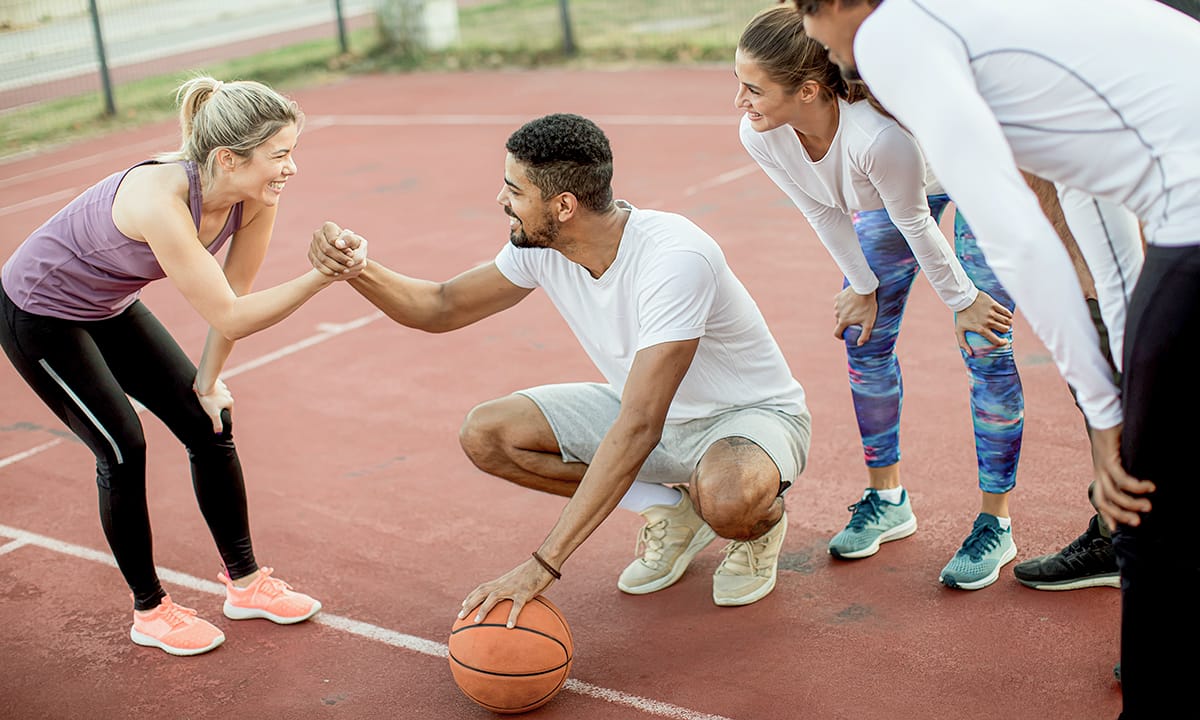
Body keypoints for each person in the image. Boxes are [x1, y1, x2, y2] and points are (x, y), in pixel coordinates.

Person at [793, 1, 1200, 716]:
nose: (827, 54)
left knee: (1140, 503)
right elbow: (1100, 234)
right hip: (1179, 204)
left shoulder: (892, 30)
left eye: (812, 23)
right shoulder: (1015, 49)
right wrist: (1122, 383)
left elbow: (1018, 242)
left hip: (1190, 206)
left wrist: (1110, 421)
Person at [308, 113, 811, 625]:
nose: (501, 200)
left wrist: (543, 564)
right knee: (489, 434)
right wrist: (356, 269)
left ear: (563, 206)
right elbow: (440, 306)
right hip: (644, 411)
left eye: (514, 190)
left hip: (745, 418)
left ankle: (756, 526)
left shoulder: (675, 258)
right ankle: (671, 509)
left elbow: (639, 426)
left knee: (727, 499)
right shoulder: (541, 247)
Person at [0, 77, 365, 656]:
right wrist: (325, 274)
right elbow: (233, 312)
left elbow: (237, 289)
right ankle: (150, 610)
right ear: (228, 158)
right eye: (280, 155)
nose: (291, 168)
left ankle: (245, 584)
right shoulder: (160, 201)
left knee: (208, 422)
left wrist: (208, 380)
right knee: (123, 446)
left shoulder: (256, 195)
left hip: (107, 304)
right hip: (39, 312)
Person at [735, 5, 1022, 590]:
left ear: (809, 90)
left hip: (969, 177)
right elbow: (821, 207)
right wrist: (862, 288)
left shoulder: (877, 137)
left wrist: (964, 301)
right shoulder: (762, 135)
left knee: (984, 343)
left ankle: (997, 523)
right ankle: (888, 499)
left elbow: (917, 225)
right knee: (863, 337)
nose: (740, 101)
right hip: (898, 200)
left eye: (752, 88)